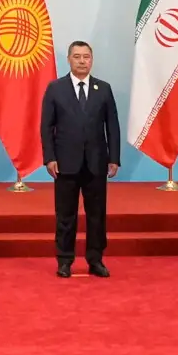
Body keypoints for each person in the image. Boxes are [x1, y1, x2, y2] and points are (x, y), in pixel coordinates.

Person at [40, 41, 121, 278]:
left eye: (86, 56)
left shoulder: (103, 89)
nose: (82, 61)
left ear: (92, 60)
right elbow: (46, 127)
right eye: (77, 56)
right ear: (69, 59)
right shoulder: (55, 88)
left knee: (97, 215)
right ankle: (64, 260)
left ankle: (96, 260)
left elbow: (112, 126)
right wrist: (49, 158)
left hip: (96, 163)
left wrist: (114, 158)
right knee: (66, 215)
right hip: (65, 163)